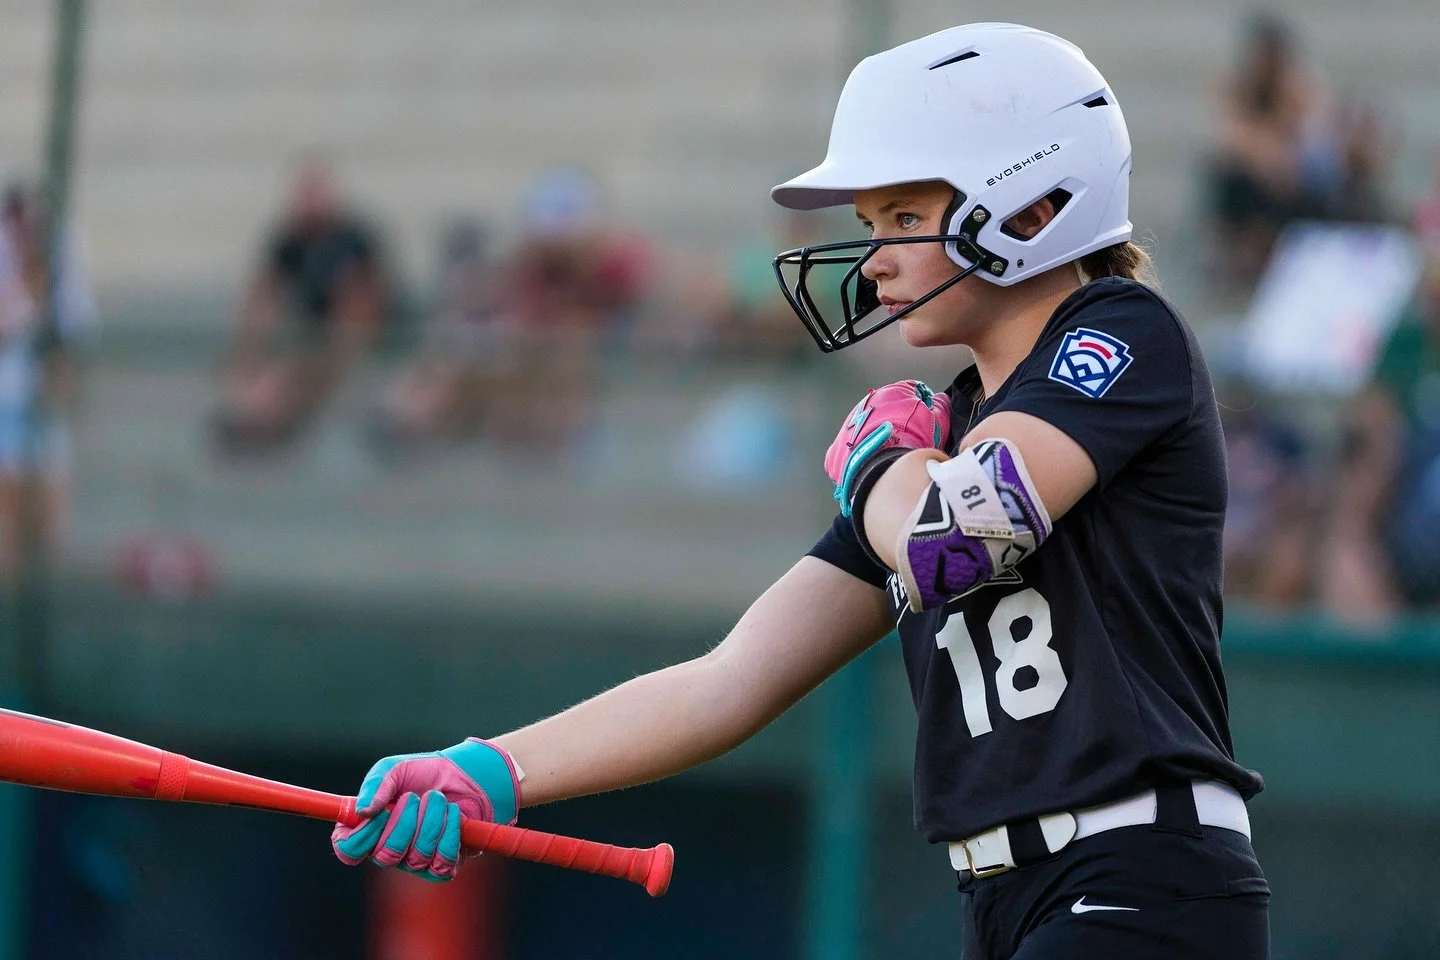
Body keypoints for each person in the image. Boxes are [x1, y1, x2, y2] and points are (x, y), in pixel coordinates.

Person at [330, 24, 1269, 958]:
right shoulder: (932, 446)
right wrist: (490, 771)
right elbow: (728, 683)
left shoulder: (1121, 332)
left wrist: (878, 466)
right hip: (1018, 901)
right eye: (872, 228)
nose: (874, 261)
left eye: (903, 219)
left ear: (1032, 205)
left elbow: (958, 542)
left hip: (1142, 882)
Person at [213, 160, 388, 456]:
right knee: (256, 370)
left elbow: (365, 302)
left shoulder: (353, 239)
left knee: (286, 375)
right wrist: (252, 348)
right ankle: (254, 411)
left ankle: (268, 421)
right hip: (307, 337)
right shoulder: (289, 240)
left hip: (346, 343)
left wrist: (336, 350)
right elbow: (265, 293)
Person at [0, 182, 97, 580]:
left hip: (39, 407)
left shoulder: (61, 264)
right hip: (6, 404)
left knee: (50, 508)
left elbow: (73, 336)